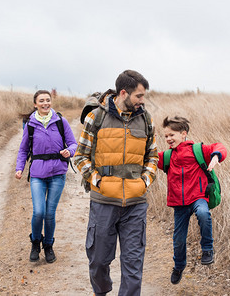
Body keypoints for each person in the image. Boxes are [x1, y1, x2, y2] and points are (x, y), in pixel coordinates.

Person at [74, 70, 158, 295]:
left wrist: (144, 182)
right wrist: (98, 182)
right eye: (139, 96)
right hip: (104, 201)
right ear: (124, 93)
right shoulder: (96, 117)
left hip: (136, 203)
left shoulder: (146, 119)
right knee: (99, 261)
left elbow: (152, 156)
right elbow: (80, 156)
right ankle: (101, 291)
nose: (142, 101)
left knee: (133, 265)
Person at [157, 116, 227, 285]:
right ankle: (179, 266)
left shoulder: (198, 149)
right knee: (179, 239)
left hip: (198, 197)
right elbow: (149, 159)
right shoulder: (166, 156)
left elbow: (219, 147)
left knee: (203, 213)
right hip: (179, 204)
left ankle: (207, 250)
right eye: (166, 136)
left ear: (183, 134)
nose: (168, 139)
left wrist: (216, 156)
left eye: (171, 135)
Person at [15, 90, 78, 263]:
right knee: (39, 212)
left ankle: (48, 246)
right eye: (41, 101)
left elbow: (73, 143)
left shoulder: (60, 121)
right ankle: (36, 242)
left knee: (49, 214)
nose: (45, 103)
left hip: (58, 173)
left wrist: (69, 151)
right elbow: (23, 150)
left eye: (48, 100)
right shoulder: (30, 124)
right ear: (35, 104)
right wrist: (19, 168)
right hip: (37, 174)